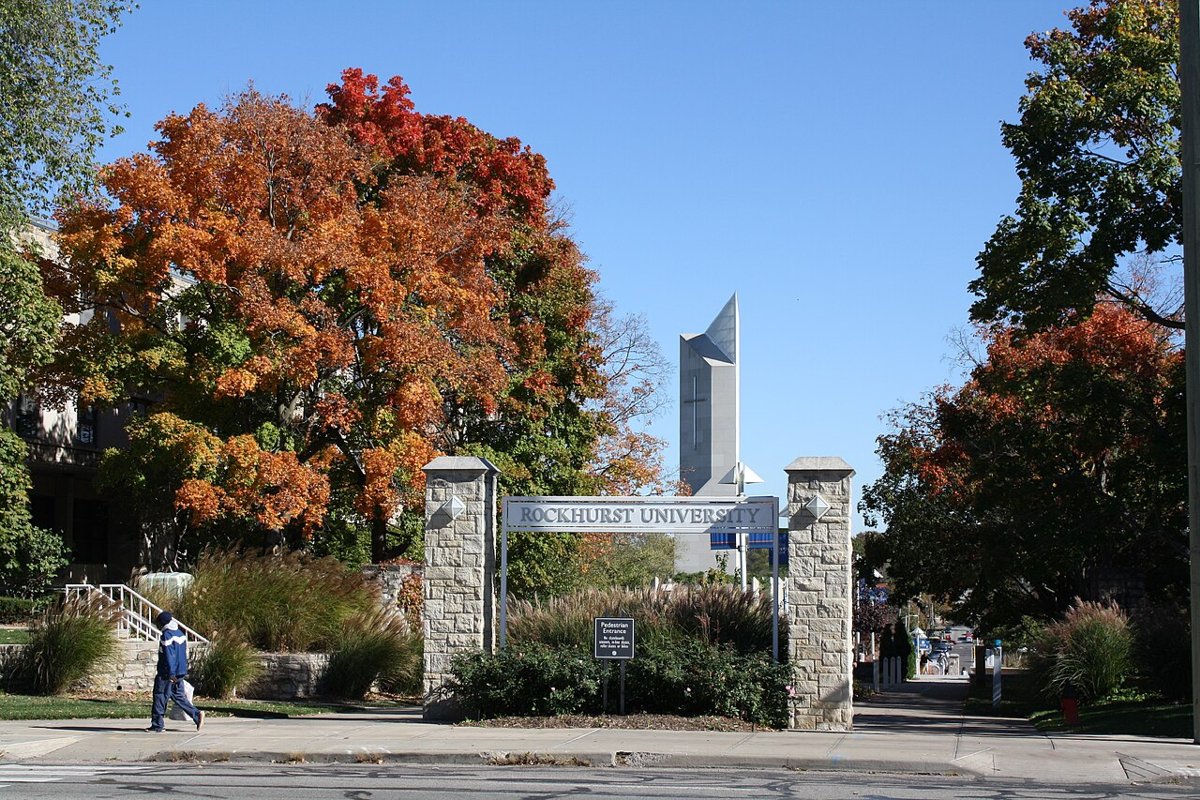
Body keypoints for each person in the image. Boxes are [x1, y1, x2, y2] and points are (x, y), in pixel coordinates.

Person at [147, 610, 204, 733]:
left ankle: (157, 725)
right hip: (180, 671)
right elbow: (181, 654)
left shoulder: (166, 635)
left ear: (162, 624)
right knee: (178, 696)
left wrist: (170, 673)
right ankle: (196, 714)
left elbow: (169, 655)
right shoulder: (180, 634)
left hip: (167, 673)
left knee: (160, 696)